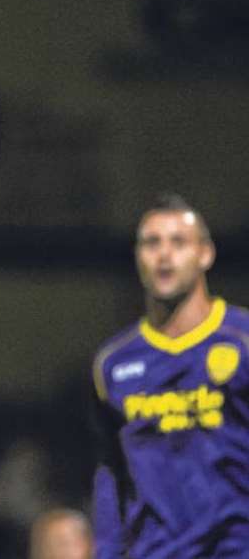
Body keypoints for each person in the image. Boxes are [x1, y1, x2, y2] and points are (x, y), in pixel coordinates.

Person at [91, 194, 249, 558]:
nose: (164, 254)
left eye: (178, 242)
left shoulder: (241, 341)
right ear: (137, 256)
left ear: (205, 254)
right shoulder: (113, 364)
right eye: (151, 242)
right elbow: (110, 476)